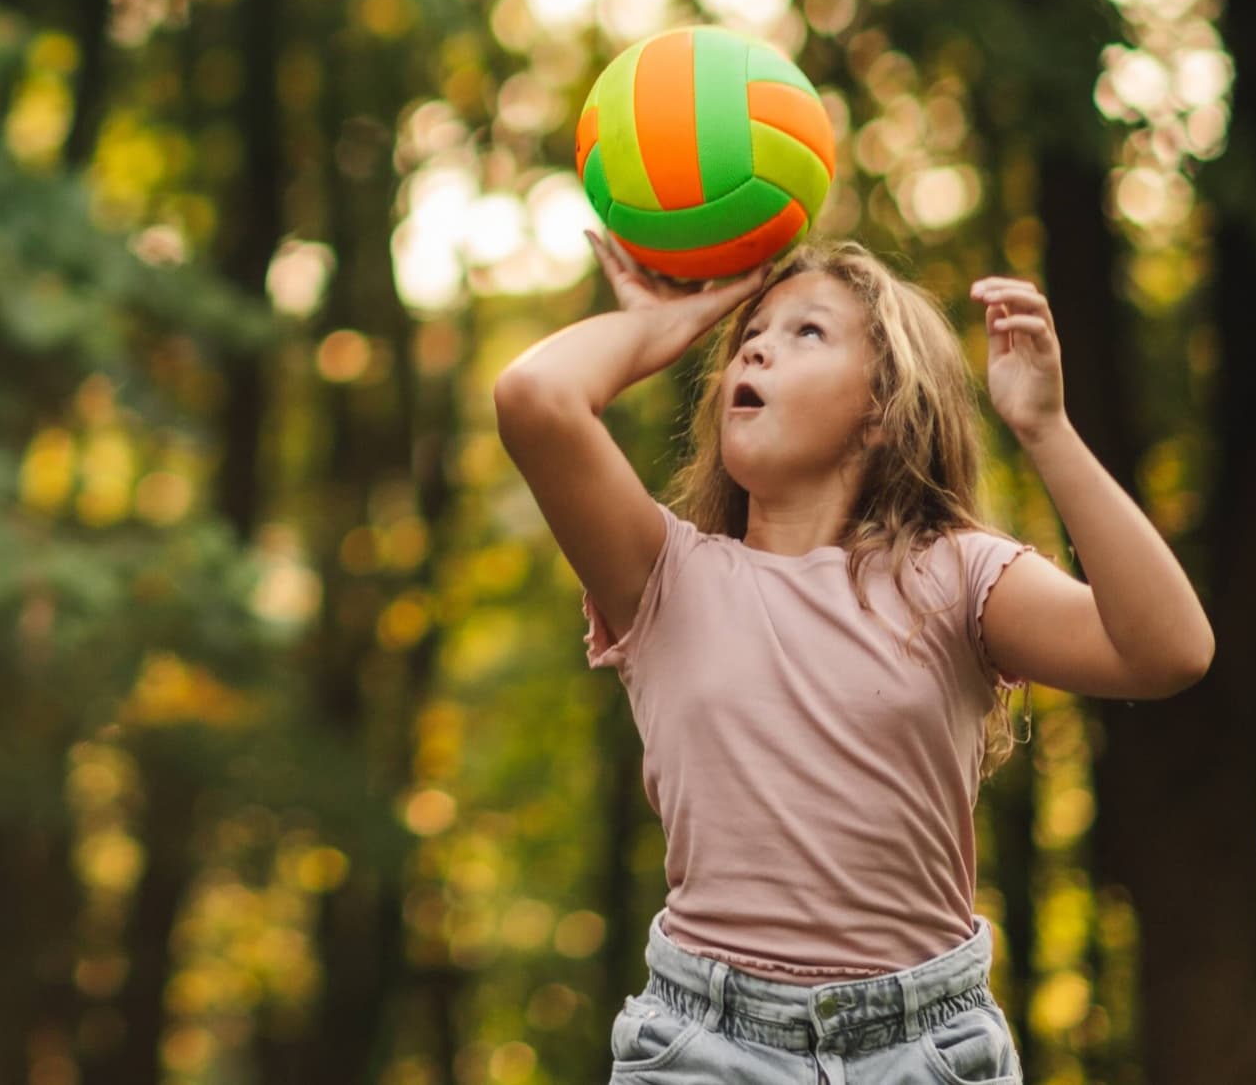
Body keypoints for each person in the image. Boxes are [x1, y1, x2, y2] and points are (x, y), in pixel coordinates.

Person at [492, 235, 1212, 1084]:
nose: (755, 344)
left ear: (880, 408)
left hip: (925, 1050)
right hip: (703, 1046)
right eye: (749, 333)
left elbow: (1170, 650)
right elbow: (535, 395)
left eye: (807, 333)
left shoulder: (953, 573)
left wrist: (1045, 429)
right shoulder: (664, 579)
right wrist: (672, 315)